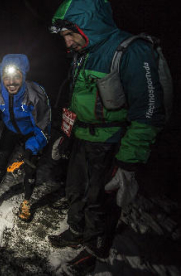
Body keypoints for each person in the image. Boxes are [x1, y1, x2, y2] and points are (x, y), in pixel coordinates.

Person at [47, 0, 166, 273]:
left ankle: (94, 249)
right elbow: (79, 101)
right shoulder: (83, 52)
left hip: (110, 142)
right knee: (75, 190)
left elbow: (148, 113)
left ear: (88, 26)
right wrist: (67, 134)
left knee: (99, 200)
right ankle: (78, 230)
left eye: (70, 34)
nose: (67, 43)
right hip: (81, 138)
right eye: (64, 36)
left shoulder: (131, 51)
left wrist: (128, 165)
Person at [0, 54, 51, 222]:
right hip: (10, 130)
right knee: (0, 161)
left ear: (24, 76)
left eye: (17, 77)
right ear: (2, 77)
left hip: (31, 132)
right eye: (7, 77)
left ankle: (26, 202)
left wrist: (33, 147)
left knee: (30, 166)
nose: (11, 82)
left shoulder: (35, 94)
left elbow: (43, 126)